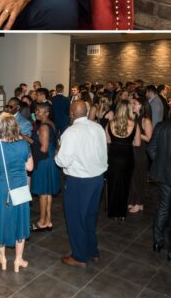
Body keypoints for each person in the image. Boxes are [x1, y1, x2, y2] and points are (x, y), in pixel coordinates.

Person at [55, 97, 108, 267]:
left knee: (75, 218)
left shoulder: (71, 132)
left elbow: (62, 161)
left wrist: (57, 153)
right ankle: (92, 250)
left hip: (79, 181)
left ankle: (79, 256)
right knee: (90, 217)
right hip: (98, 179)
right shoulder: (98, 127)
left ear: (71, 114)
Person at [0, 111, 33, 273]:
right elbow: (30, 167)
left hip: (0, 189)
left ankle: (2, 258)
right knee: (20, 220)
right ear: (15, 126)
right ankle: (18, 260)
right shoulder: (23, 145)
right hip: (19, 186)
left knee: (1, 220)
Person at [31, 101, 61, 229]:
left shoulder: (43, 126)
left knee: (43, 192)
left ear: (46, 113)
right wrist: (27, 138)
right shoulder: (50, 124)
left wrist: (31, 157)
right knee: (47, 192)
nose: (36, 113)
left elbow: (43, 148)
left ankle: (42, 222)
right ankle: (48, 220)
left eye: (39, 111)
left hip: (44, 161)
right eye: (36, 110)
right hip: (50, 160)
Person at [105, 100, 136, 219]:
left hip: (113, 157)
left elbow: (107, 140)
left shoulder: (110, 124)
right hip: (127, 157)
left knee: (112, 184)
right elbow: (137, 142)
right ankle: (122, 213)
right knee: (125, 184)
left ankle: (112, 213)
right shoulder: (134, 124)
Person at [150, 109, 171, 259]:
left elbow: (151, 149)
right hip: (164, 174)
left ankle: (157, 242)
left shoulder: (160, 127)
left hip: (164, 176)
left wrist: (160, 163)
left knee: (163, 207)